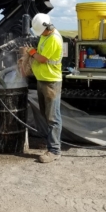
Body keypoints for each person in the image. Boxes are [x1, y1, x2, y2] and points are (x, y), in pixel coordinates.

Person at [28, 13, 63, 163]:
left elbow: (42, 59)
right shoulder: (45, 35)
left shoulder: (54, 38)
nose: (39, 34)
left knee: (52, 117)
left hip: (51, 82)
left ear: (47, 27)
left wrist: (31, 52)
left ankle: (54, 150)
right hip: (42, 80)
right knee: (45, 114)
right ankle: (49, 144)